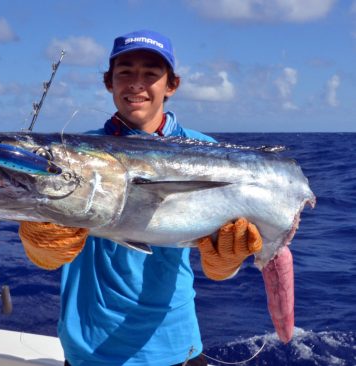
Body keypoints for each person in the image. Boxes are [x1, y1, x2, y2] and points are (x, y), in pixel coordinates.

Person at [19, 30, 262, 366]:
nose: (136, 84)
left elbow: (225, 248)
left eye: (151, 74)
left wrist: (226, 261)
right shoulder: (73, 153)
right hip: (90, 349)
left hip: (175, 346)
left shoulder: (208, 153)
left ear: (171, 85)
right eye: (125, 73)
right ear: (109, 82)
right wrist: (40, 247)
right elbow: (47, 252)